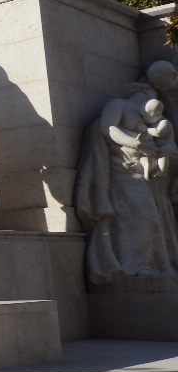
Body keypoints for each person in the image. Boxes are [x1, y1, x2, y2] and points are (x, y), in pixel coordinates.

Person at [75, 80, 178, 284]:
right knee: (142, 217)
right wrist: (138, 144)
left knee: (151, 219)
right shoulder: (119, 104)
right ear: (144, 91)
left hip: (145, 172)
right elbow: (108, 128)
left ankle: (153, 264)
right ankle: (136, 266)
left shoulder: (148, 118)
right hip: (123, 169)